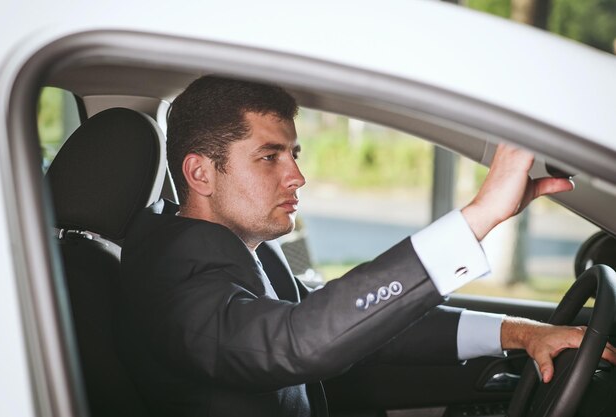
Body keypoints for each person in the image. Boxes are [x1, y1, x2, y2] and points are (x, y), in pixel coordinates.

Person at [116, 76, 615, 417]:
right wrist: (479, 216)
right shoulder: (169, 275)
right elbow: (297, 341)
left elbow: (355, 326)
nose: (298, 176)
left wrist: (521, 333)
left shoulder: (235, 246)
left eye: (293, 153)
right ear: (200, 172)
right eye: (269, 157)